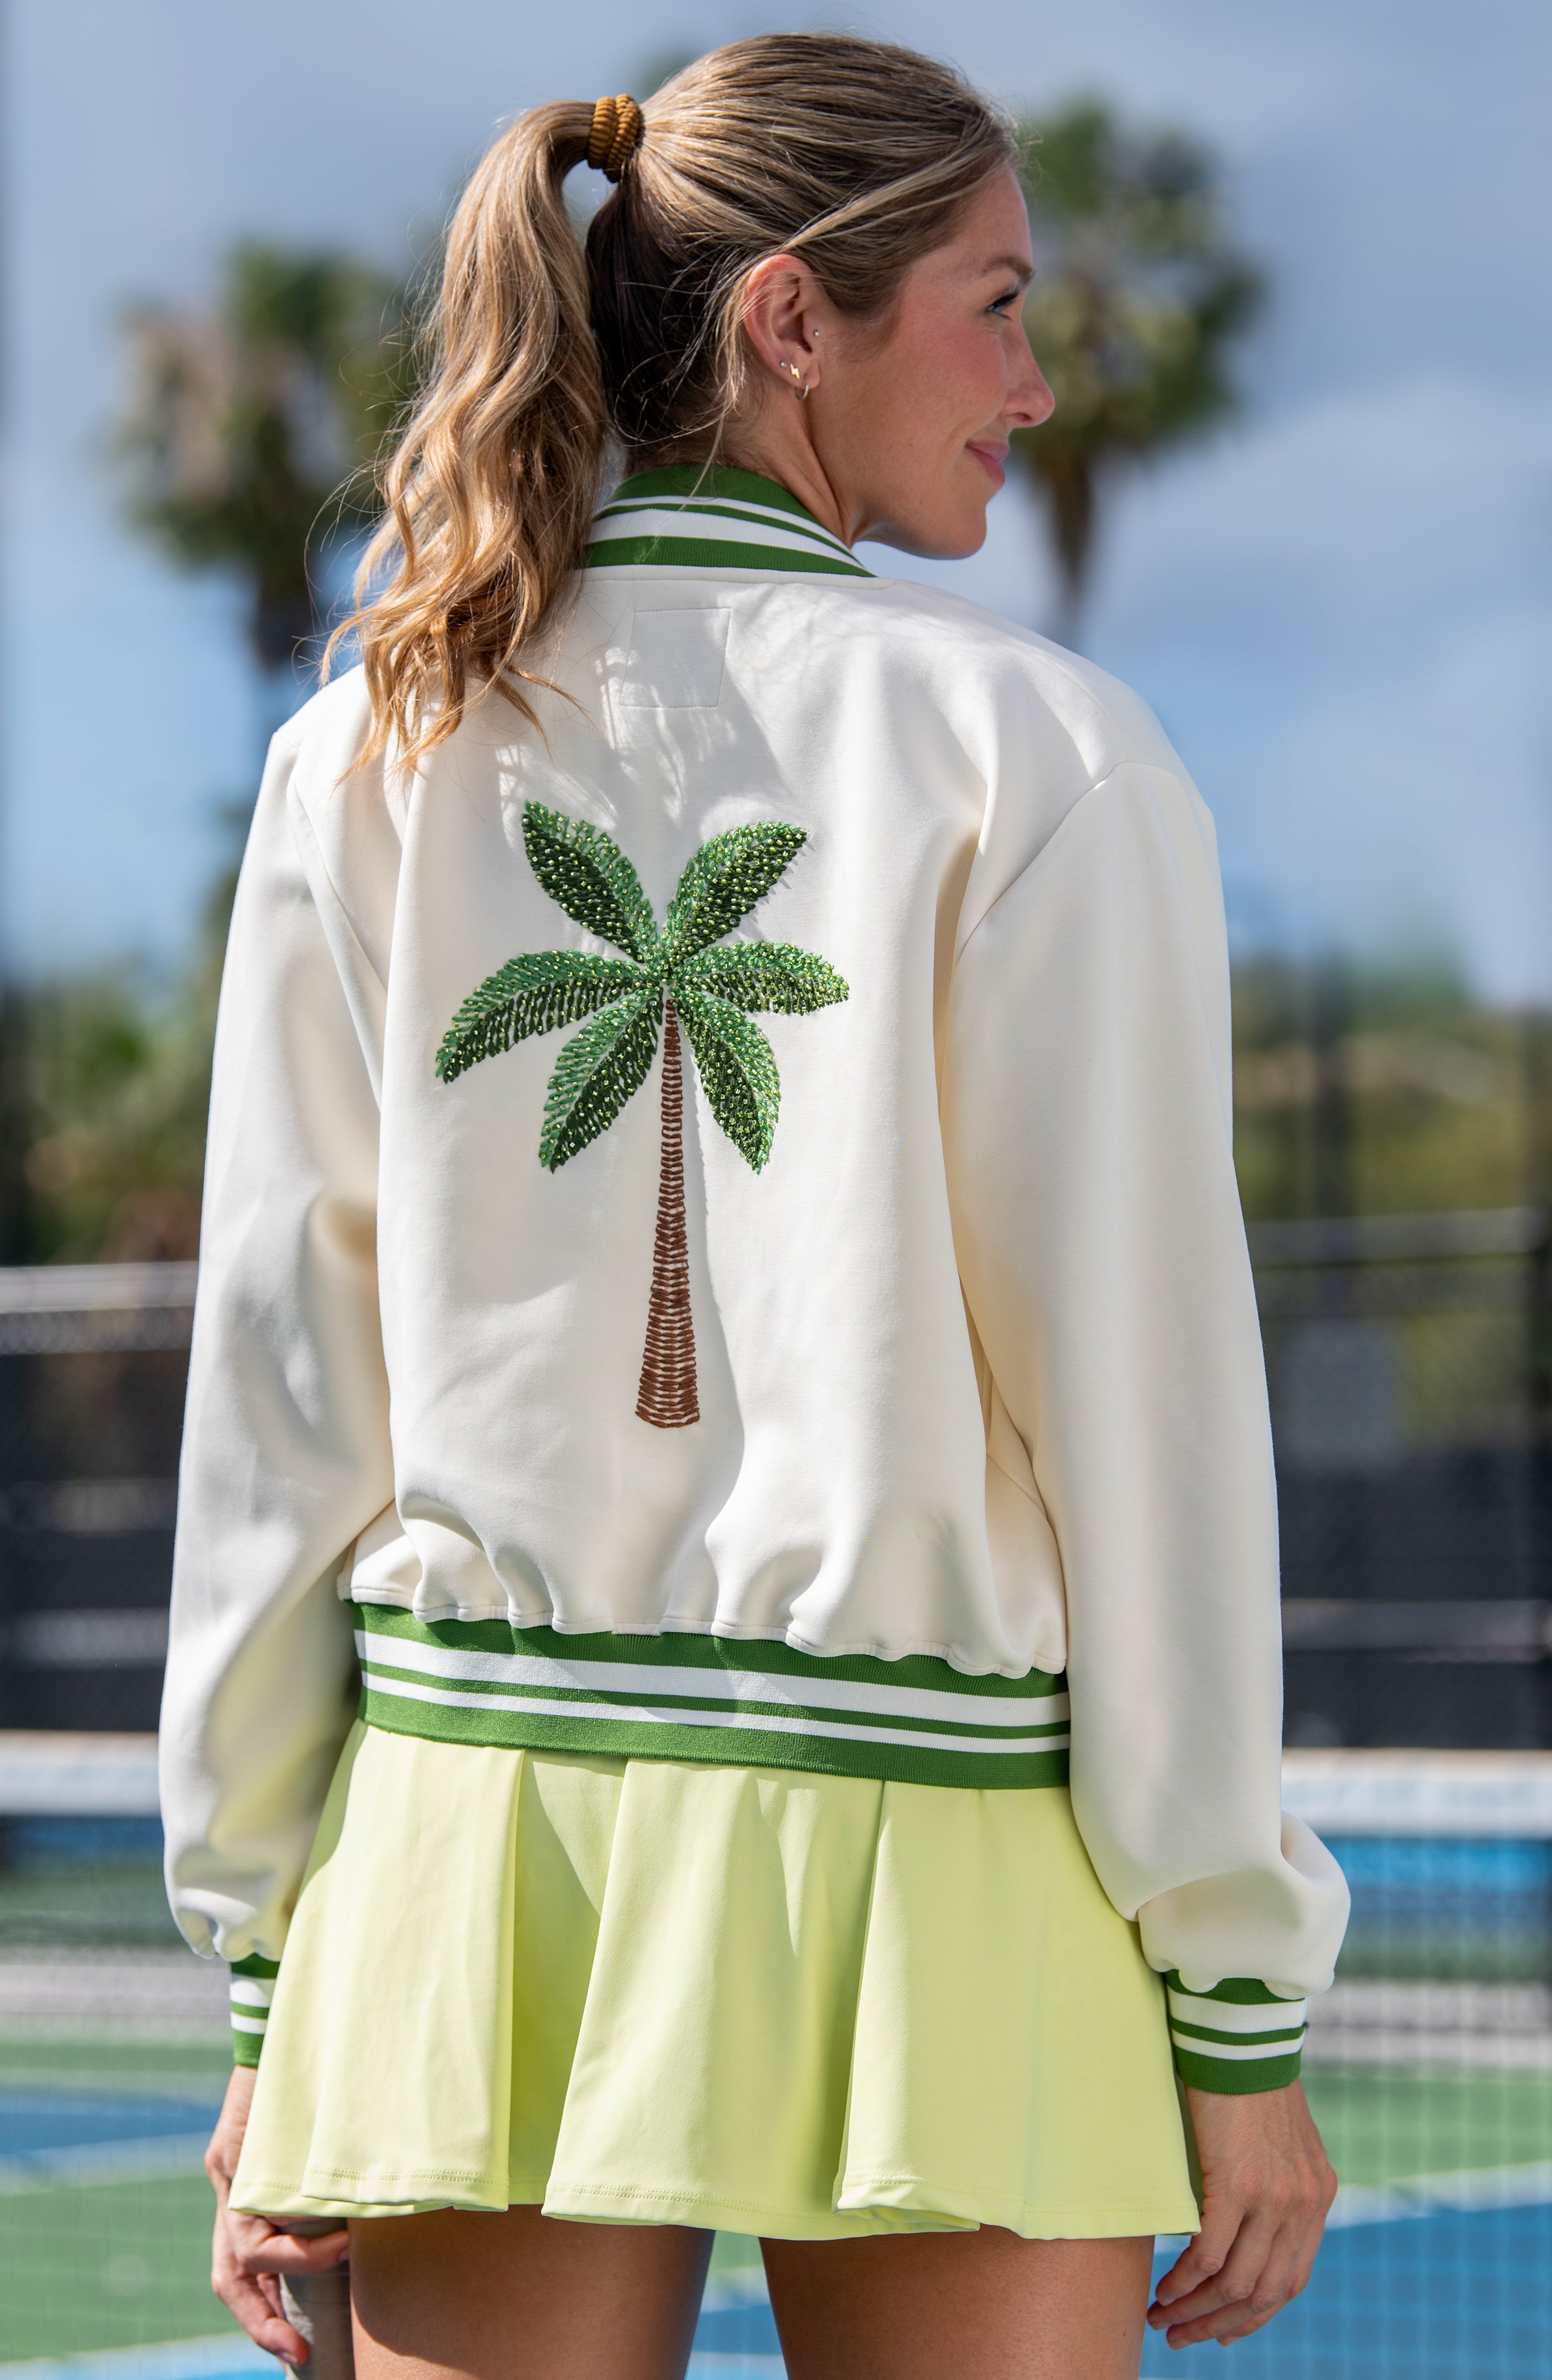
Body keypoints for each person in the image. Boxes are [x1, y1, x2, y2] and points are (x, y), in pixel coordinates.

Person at [160, 34, 1349, 2380]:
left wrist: (281, 1961)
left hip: (473, 1871)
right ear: (798, 318)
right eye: (997, 302)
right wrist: (1235, 1999)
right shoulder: (1046, 755)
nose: (1036, 375)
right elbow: (1150, 1420)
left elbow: (283, 1389)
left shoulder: (365, 744)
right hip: (949, 1876)